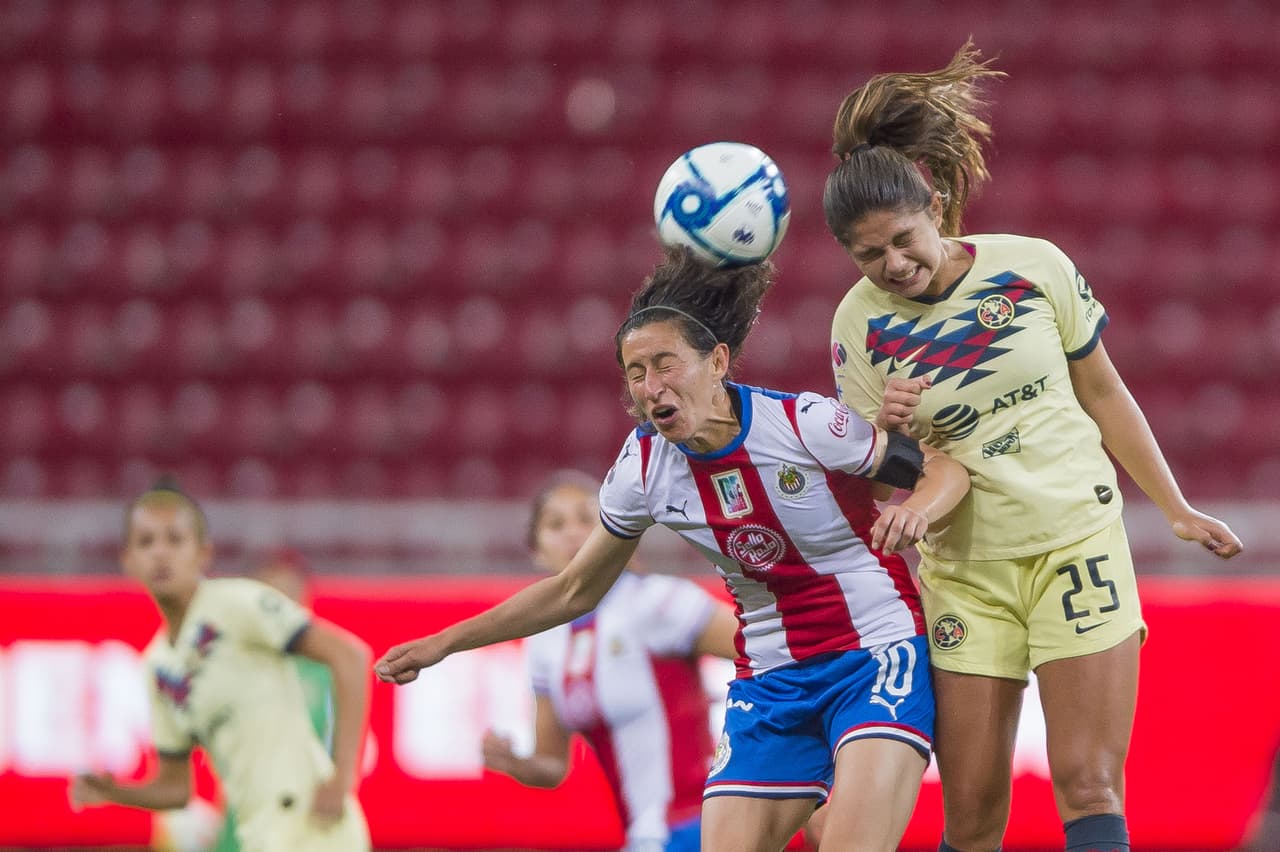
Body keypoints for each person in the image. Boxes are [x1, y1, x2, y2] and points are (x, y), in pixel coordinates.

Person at [376, 246, 972, 852]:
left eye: (665, 363)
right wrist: (442, 643)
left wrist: (916, 510)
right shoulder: (642, 469)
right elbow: (575, 589)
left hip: (874, 650)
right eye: (635, 373)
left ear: (716, 362)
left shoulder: (803, 423)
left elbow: (943, 470)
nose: (650, 386)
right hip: (771, 679)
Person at [822, 42, 1243, 852]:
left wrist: (1175, 507)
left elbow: (1104, 391)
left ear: (935, 201)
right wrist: (895, 434)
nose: (895, 264)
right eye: (869, 255)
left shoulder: (1032, 268)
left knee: (1088, 783)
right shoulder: (856, 326)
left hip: (1074, 547)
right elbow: (879, 482)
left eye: (904, 240)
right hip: (965, 578)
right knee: (972, 817)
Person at [69, 478, 373, 852]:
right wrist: (116, 791)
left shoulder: (238, 603)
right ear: (128, 560)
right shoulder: (158, 667)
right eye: (146, 542)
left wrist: (343, 777)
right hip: (255, 833)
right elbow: (176, 789)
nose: (161, 553)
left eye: (175, 540)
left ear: (203, 553)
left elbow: (350, 657)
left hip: (311, 827)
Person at [480, 469, 739, 852]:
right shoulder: (545, 640)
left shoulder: (657, 601)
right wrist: (516, 763)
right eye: (556, 524)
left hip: (705, 827)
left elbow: (771, 646)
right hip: (645, 837)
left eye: (587, 519)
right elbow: (552, 764)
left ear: (620, 531)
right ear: (536, 550)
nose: (573, 533)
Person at [208, 547, 338, 852]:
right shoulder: (233, 664)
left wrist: (338, 785)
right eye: (272, 596)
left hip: (307, 817)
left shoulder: (326, 669)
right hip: (245, 813)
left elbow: (339, 740)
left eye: (291, 594)